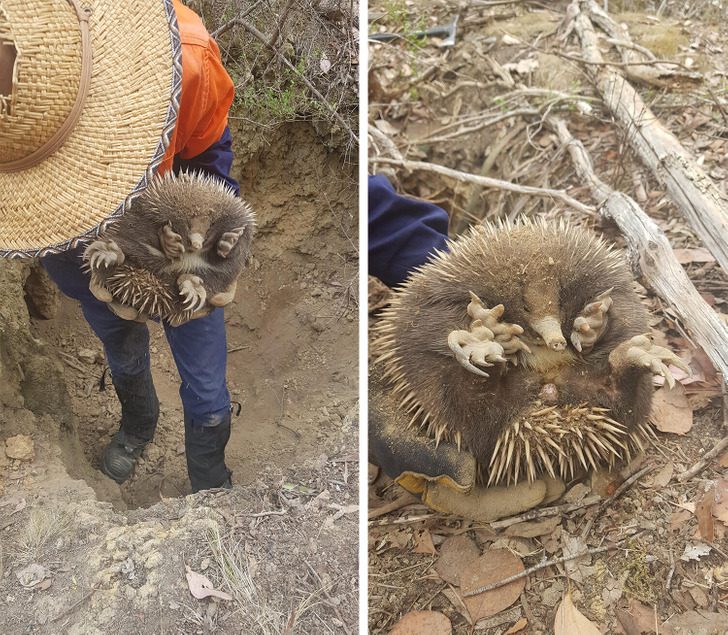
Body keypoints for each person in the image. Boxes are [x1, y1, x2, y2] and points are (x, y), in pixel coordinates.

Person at [0, 0, 238, 492]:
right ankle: (139, 422)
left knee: (208, 387)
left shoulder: (185, 58)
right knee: (120, 339)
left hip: (179, 254)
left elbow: (212, 164)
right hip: (84, 257)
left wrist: (213, 253)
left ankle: (210, 476)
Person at [368, 174, 564, 521]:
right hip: (490, 407)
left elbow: (379, 217)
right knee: (390, 404)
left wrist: (462, 287)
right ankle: (450, 474)